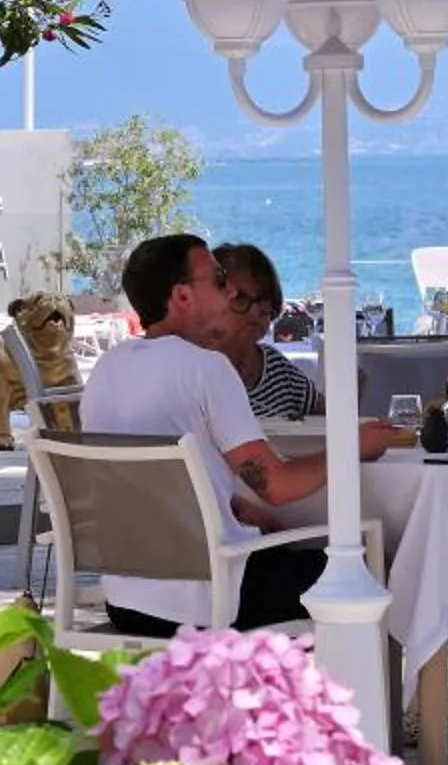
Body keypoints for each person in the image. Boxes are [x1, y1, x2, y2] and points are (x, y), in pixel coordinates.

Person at [80, 233, 395, 635]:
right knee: (368, 565)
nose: (229, 291)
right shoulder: (206, 369)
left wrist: (236, 511)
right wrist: (352, 447)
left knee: (293, 554)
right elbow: (276, 486)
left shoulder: (109, 368)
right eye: (218, 279)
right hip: (211, 601)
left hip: (128, 601)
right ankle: (359, 698)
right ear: (182, 297)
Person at [203, 241, 319, 422]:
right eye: (240, 298)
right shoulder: (191, 372)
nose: (255, 311)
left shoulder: (275, 367)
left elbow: (328, 419)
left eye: (264, 300)